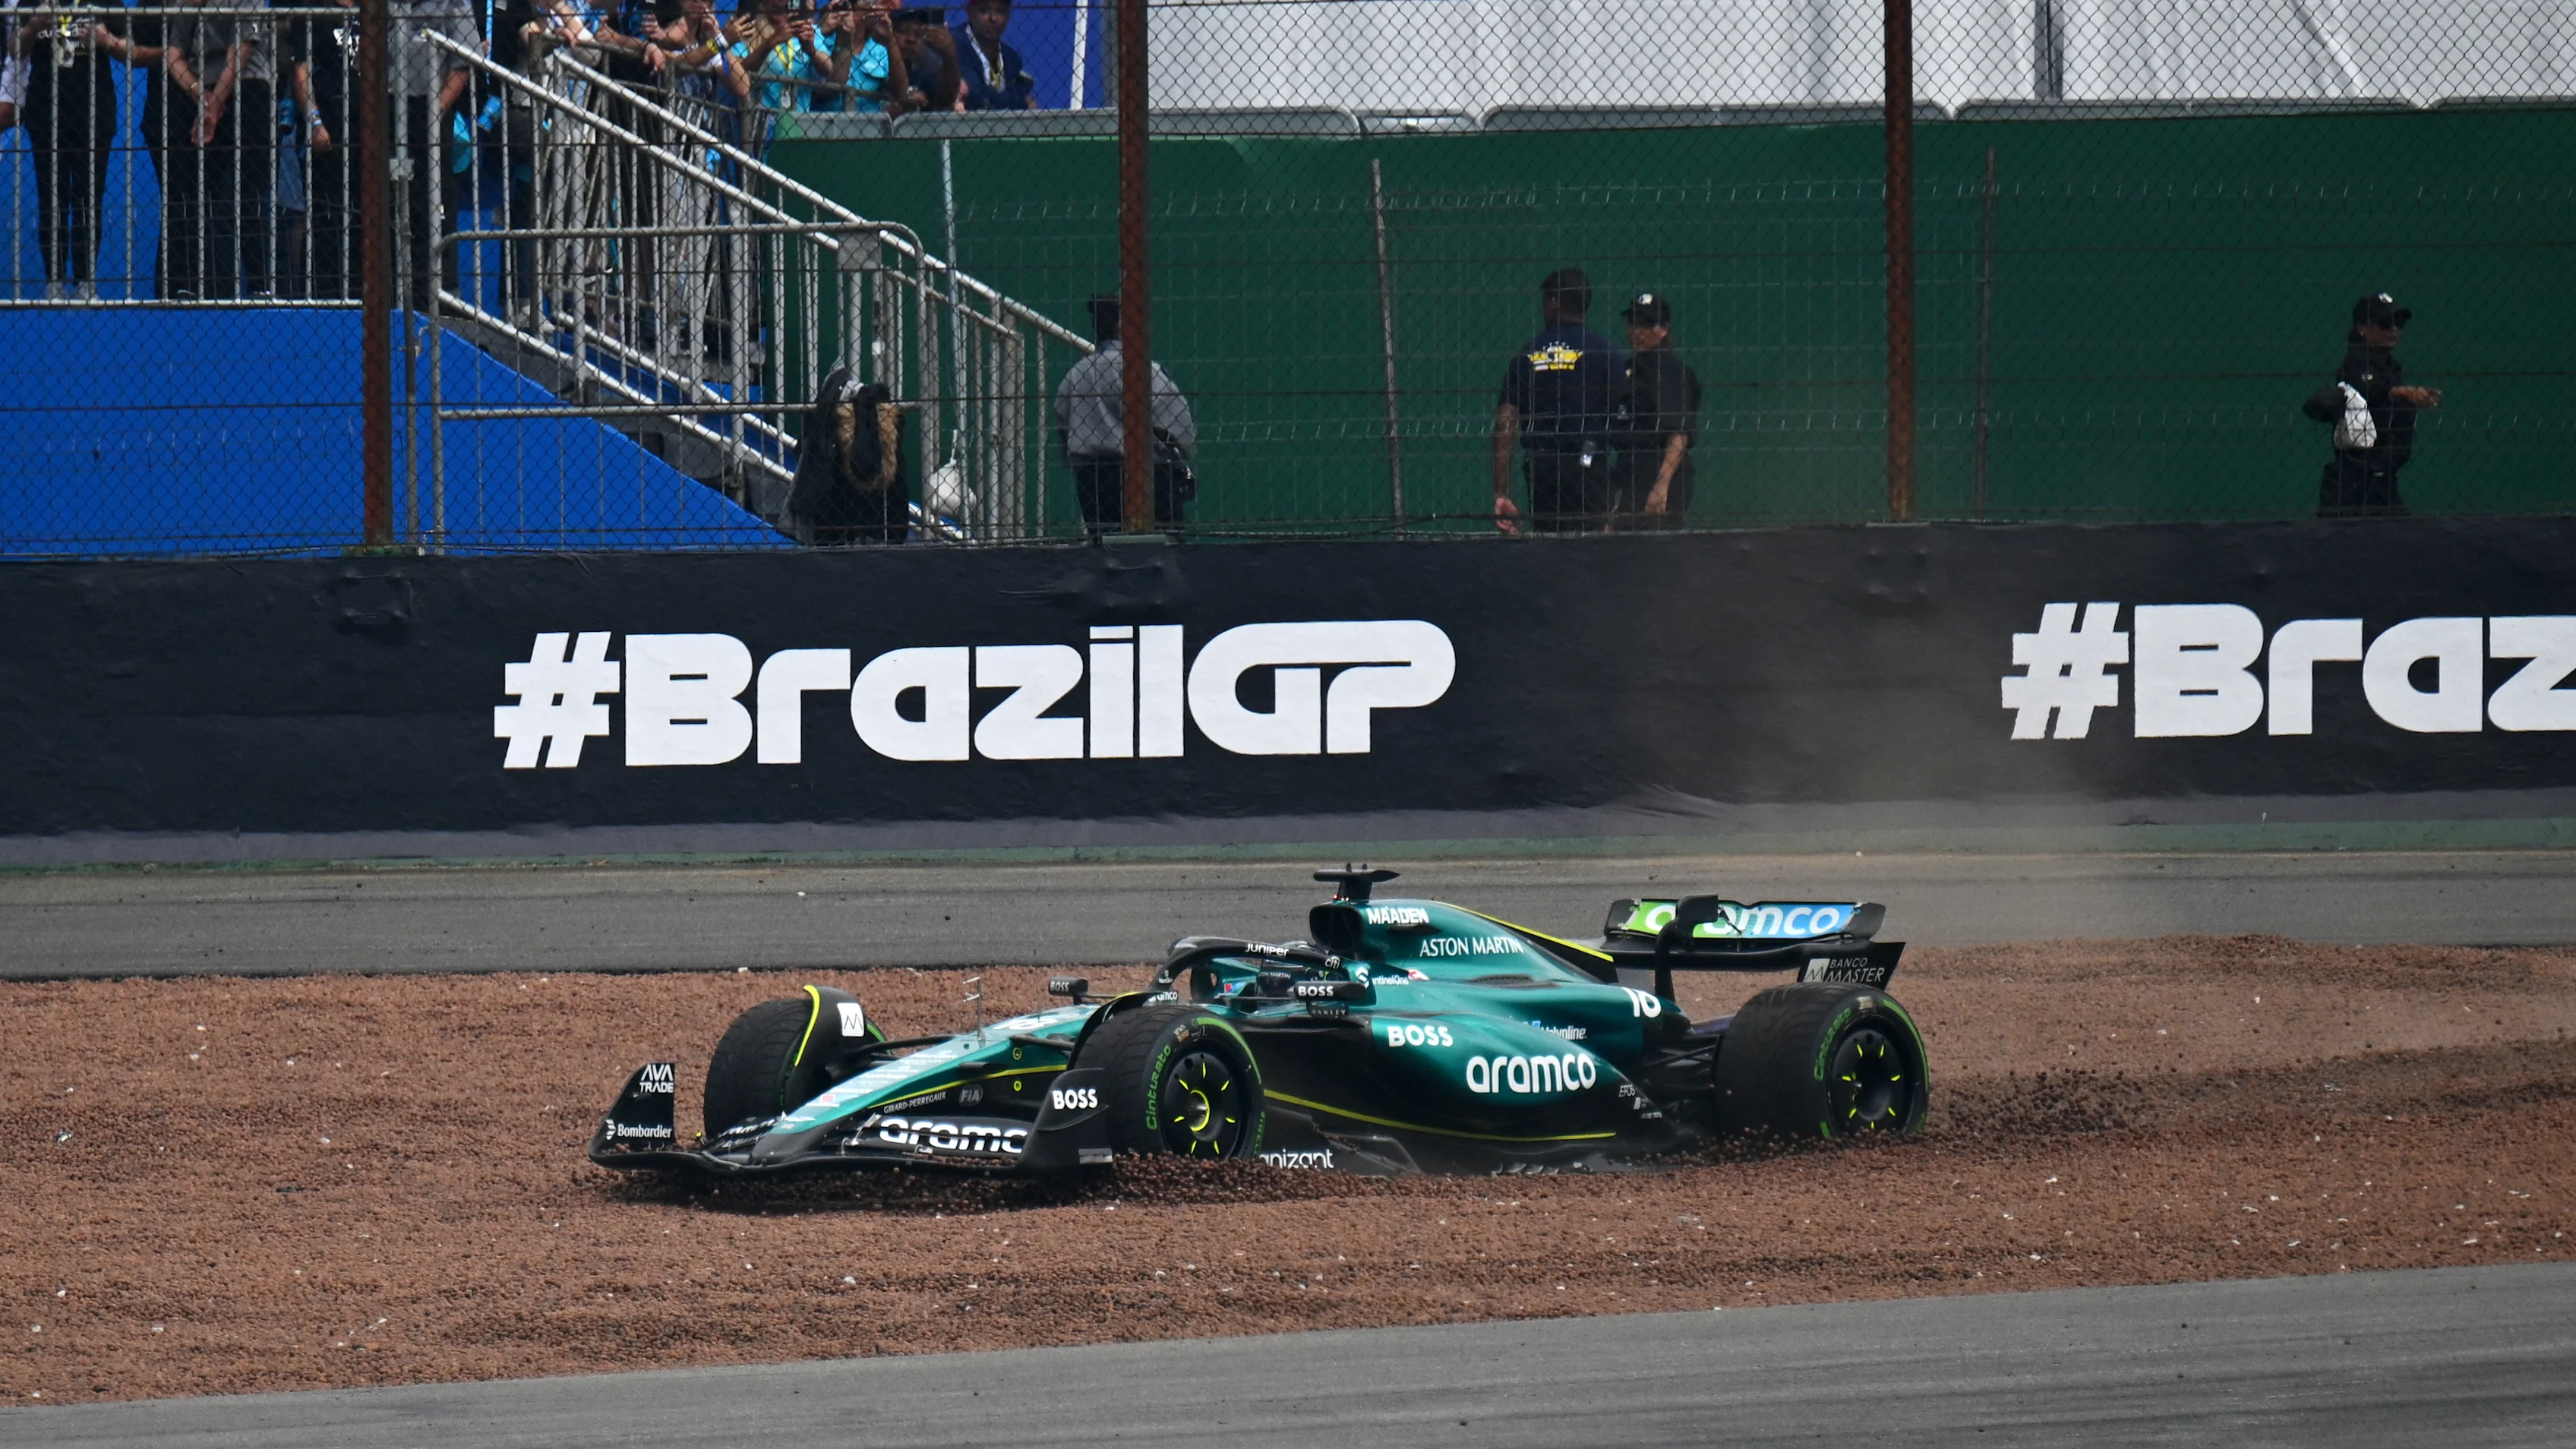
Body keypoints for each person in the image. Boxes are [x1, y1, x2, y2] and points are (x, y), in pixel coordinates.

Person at [1491, 267, 1622, 533]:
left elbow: (1505, 423)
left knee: (1550, 543)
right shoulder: (1606, 353)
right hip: (1590, 464)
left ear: (1553, 302)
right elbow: (1625, 418)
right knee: (1594, 545)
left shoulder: (1528, 355)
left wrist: (1501, 493)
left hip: (1544, 467)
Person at [1055, 293, 1196, 535]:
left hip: (1094, 481)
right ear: (1123, 325)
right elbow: (1178, 425)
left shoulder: (1075, 375)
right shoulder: (1145, 370)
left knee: (1105, 544)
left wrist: (1075, 461)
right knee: (1164, 544)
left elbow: (1063, 425)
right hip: (1149, 476)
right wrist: (1183, 454)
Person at [11, 0, 122, 300]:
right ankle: (55, 281)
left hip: (94, 113)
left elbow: (130, 49)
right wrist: (34, 26)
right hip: (46, 112)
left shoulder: (105, 2)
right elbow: (15, 50)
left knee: (89, 200)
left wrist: (106, 41)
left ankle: (86, 281)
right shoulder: (33, 1)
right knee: (51, 200)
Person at [2304, 292, 2442, 518]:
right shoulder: (2357, 361)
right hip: (2356, 478)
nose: (2394, 330)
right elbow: (2369, 387)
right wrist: (2404, 392)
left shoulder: (2391, 366)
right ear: (2363, 328)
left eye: (2398, 323)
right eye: (2385, 323)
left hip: (2383, 477)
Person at [385, 0, 479, 310]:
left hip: (431, 109)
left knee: (433, 201)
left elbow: (463, 63)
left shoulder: (453, 3)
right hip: (387, 107)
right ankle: (393, 291)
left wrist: (435, 112)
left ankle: (436, 293)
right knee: (390, 201)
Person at [1610, 292, 1701, 529]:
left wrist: (1662, 486)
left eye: (1647, 325)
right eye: (1633, 323)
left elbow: (1679, 432)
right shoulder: (1627, 370)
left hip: (1661, 472)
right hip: (1631, 472)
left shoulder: (1671, 372)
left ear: (1664, 330)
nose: (1638, 332)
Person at [950, 0, 1032, 110]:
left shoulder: (1012, 59)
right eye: (984, 11)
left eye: (1001, 11)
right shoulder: (953, 44)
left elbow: (1018, 104)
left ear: (1008, 15)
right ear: (969, 13)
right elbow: (976, 96)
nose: (993, 18)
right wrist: (1014, 100)